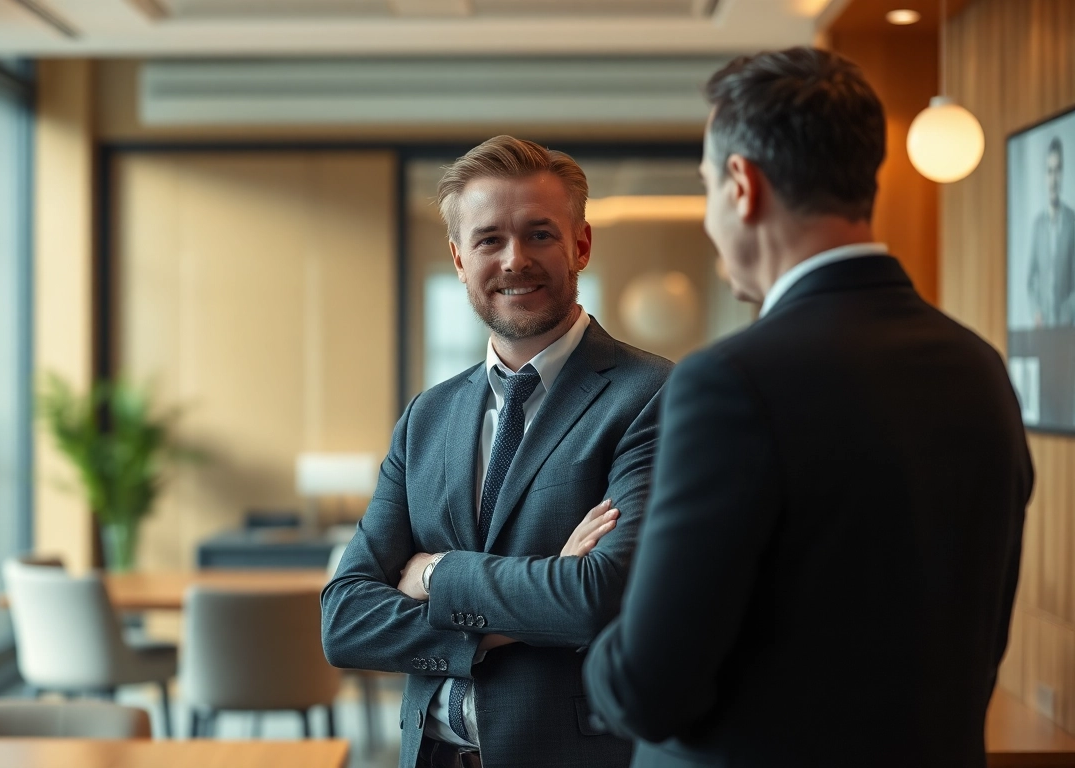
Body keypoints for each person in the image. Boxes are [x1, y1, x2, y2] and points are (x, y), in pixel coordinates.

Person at [584, 47, 1033, 768]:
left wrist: (597, 610)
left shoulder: (729, 382)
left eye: (705, 188)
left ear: (742, 186)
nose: (707, 220)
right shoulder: (980, 369)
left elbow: (647, 689)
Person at [321, 135, 672, 768]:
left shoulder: (651, 396)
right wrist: (532, 602)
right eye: (489, 240)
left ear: (581, 245)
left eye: (540, 234)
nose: (514, 260)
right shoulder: (426, 417)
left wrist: (433, 574)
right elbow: (344, 620)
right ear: (459, 258)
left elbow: (598, 597)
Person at [1027, 136, 1075, 327]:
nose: (1053, 179)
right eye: (1049, 171)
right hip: (1044, 332)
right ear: (1045, 176)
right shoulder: (1038, 226)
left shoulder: (1073, 222)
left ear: (1062, 173)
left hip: (1068, 330)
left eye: (1057, 171)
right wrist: (1036, 311)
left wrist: (1068, 314)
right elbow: (1030, 280)